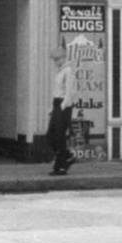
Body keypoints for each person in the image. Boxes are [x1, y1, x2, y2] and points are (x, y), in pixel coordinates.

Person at [47, 47, 78, 175]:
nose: (56, 62)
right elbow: (57, 91)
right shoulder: (60, 72)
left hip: (63, 105)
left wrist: (63, 106)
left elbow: (69, 91)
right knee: (50, 135)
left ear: (64, 57)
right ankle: (67, 156)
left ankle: (61, 167)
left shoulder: (68, 70)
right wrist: (52, 107)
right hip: (57, 104)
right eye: (55, 59)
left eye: (58, 59)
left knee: (59, 136)